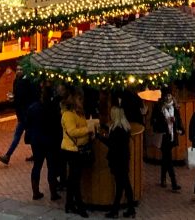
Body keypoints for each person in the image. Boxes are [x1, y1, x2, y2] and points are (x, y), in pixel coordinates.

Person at [59, 90, 92, 218]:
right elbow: (72, 131)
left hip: (77, 149)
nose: (81, 102)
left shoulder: (78, 113)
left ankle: (69, 204)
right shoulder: (68, 115)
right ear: (74, 101)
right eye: (79, 100)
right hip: (71, 150)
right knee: (74, 179)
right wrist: (88, 129)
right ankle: (78, 206)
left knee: (73, 179)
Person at [100, 103, 135, 218]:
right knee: (124, 185)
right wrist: (104, 127)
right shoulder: (125, 127)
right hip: (124, 159)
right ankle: (128, 209)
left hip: (117, 161)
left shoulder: (117, 130)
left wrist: (98, 136)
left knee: (122, 185)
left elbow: (111, 144)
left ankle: (117, 211)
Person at [0, 66, 39, 165]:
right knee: (30, 135)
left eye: (21, 70)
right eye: (17, 69)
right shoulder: (17, 81)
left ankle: (8, 155)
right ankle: (36, 155)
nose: (19, 71)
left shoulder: (26, 82)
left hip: (25, 114)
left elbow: (23, 99)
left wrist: (14, 99)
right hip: (22, 114)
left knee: (19, 136)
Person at [26, 89, 57, 201]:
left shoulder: (32, 108)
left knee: (37, 166)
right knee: (51, 166)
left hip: (36, 141)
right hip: (50, 140)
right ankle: (53, 193)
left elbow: (27, 123)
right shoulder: (53, 108)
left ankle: (35, 192)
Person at [150, 90, 181, 191]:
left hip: (171, 135)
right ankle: (173, 183)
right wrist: (164, 121)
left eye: (170, 95)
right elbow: (153, 122)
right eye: (166, 96)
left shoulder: (174, 107)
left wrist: (179, 127)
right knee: (168, 158)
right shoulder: (158, 107)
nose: (168, 98)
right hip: (163, 136)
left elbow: (178, 120)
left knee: (165, 158)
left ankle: (163, 179)